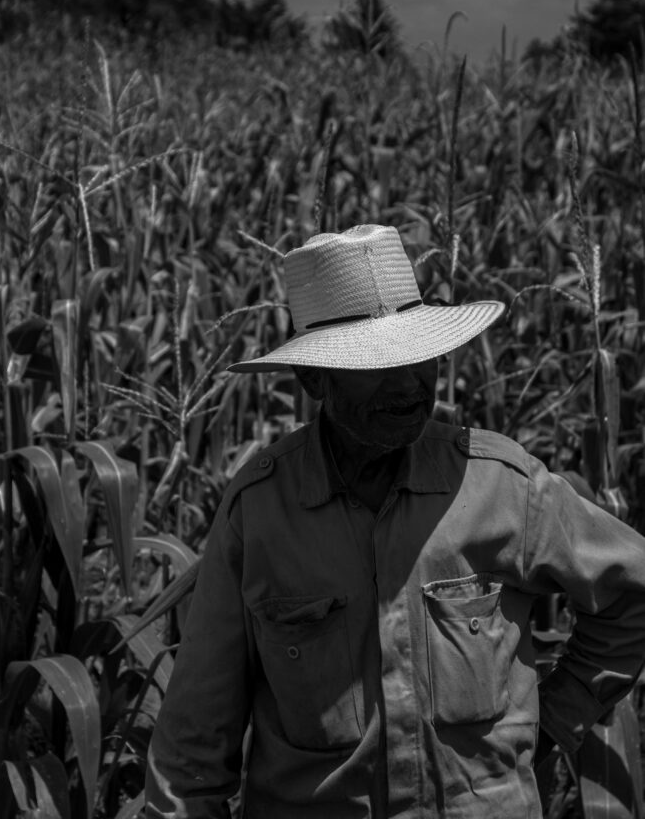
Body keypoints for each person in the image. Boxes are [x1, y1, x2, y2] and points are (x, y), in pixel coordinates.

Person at [145, 224, 645, 818]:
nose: (410, 384)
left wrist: (556, 718)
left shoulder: (501, 486)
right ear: (313, 379)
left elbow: (632, 593)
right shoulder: (260, 513)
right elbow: (191, 754)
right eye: (377, 364)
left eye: (422, 356)